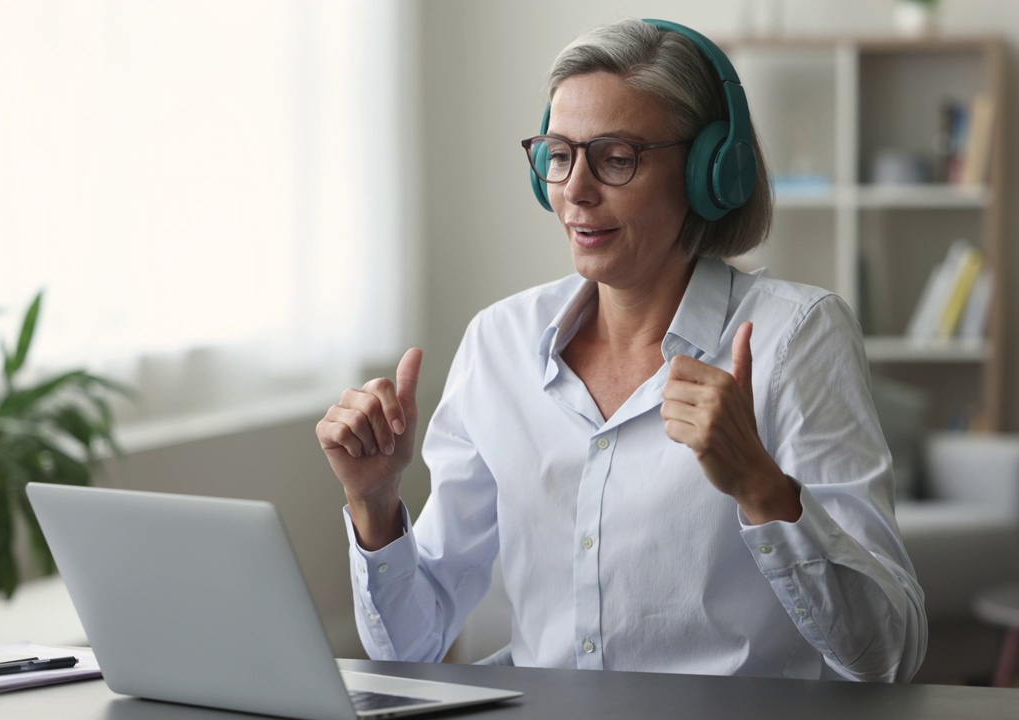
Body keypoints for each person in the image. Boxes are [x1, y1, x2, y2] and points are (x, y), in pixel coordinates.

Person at [317, 18, 926, 682]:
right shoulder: (499, 344)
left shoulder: (797, 337)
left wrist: (759, 484)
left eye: (615, 158)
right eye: (559, 153)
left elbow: (888, 652)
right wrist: (374, 504)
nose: (576, 188)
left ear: (707, 173)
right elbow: (410, 647)